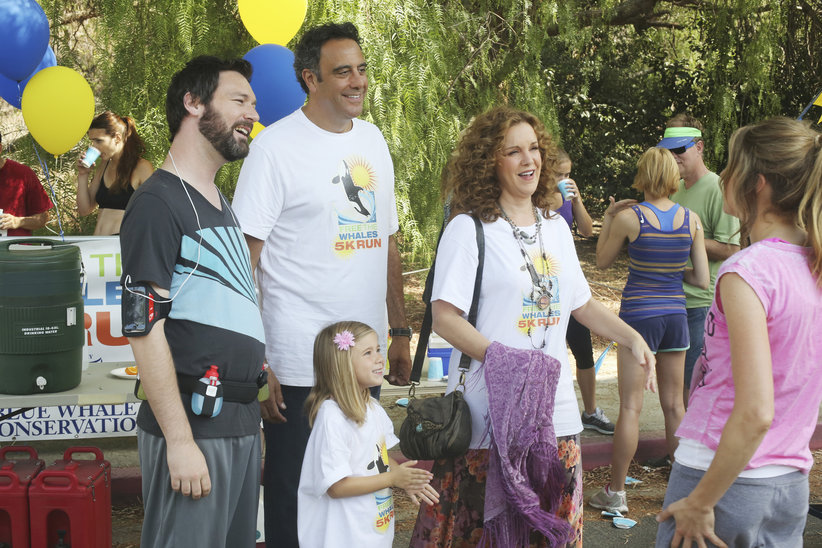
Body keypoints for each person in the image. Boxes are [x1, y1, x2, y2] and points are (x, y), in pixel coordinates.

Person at [410, 106, 655, 547]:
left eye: (534, 148)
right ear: (489, 161)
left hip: (555, 416)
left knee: (552, 535)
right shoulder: (469, 229)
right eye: (513, 152)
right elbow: (445, 317)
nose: (529, 160)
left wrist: (632, 337)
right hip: (488, 419)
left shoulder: (555, 227)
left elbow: (582, 305)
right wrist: (505, 361)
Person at [232, 22, 412, 548]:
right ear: (310, 78)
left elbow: (387, 241)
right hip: (297, 364)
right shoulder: (274, 149)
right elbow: (243, 262)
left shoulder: (373, 139)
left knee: (360, 488)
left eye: (361, 69)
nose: (358, 81)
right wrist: (259, 360)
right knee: (296, 494)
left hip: (362, 360)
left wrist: (399, 331)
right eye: (342, 72)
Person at [655, 117, 822, 547]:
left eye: (730, 165)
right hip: (789, 484)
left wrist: (701, 501)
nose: (723, 174)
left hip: (720, 475)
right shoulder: (813, 266)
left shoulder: (747, 271)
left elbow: (756, 411)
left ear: (757, 184)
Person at [119, 56, 264, 548]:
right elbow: (142, 328)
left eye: (253, 103)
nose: (253, 114)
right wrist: (179, 442)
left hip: (239, 422)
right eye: (239, 100)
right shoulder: (158, 203)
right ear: (193, 103)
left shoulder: (221, 204)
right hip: (194, 428)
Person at [589, 147, 709, 514]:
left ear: (643, 174)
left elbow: (601, 261)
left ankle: (616, 493)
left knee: (630, 406)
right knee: (675, 405)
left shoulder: (630, 218)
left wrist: (608, 217)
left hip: (638, 318)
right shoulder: (691, 220)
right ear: (672, 177)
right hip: (675, 315)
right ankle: (681, 491)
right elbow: (702, 279)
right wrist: (670, 269)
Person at [298, 321, 438, 547]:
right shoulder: (332, 417)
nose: (379, 358)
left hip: (370, 530)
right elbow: (336, 486)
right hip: (342, 537)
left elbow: (380, 457)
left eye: (379, 350)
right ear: (342, 365)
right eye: (368, 353)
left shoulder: (372, 408)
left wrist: (405, 478)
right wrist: (392, 479)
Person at [657, 114, 740, 405]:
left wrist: (682, 236)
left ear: (700, 147)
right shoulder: (674, 189)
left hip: (701, 304)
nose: (673, 156)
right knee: (673, 390)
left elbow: (732, 249)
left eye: (680, 149)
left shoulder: (718, 187)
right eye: (668, 150)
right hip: (671, 300)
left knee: (695, 388)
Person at [552, 148, 614, 435]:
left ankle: (590, 411)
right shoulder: (534, 198)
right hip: (543, 286)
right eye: (559, 173)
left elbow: (587, 231)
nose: (564, 178)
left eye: (568, 173)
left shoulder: (568, 195)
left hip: (569, 283)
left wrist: (576, 201)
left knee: (583, 348)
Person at [76, 111, 154, 235]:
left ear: (117, 138)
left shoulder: (142, 167)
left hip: (122, 243)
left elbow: (154, 213)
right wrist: (83, 175)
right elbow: (84, 210)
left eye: (99, 141)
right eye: (92, 141)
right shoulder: (104, 165)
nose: (94, 146)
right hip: (99, 243)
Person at [0, 131, 52, 236]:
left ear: (0, 148)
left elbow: (43, 218)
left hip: (16, 245)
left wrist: (18, 222)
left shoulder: (22, 174)